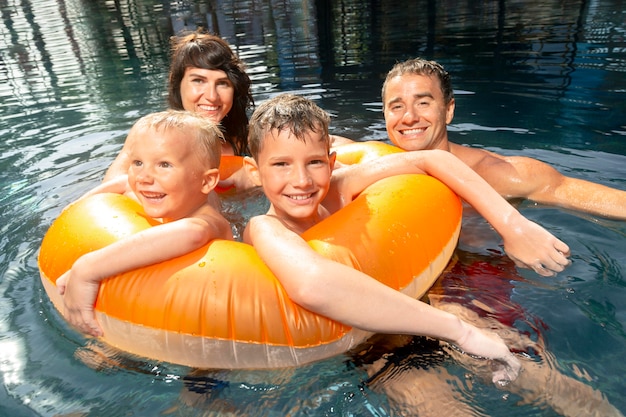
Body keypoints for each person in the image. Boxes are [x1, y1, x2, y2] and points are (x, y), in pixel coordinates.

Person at [241, 93, 572, 384]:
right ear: (255, 172)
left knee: (544, 380)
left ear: (330, 162)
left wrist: (513, 225)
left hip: (424, 302)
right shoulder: (264, 228)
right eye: (281, 164)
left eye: (313, 162)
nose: (301, 180)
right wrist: (460, 331)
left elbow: (433, 160)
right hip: (372, 345)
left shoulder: (339, 187)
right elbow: (313, 284)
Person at [56, 110, 234, 337]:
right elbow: (124, 183)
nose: (144, 177)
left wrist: (86, 269)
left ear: (207, 180)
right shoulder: (155, 190)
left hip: (210, 318)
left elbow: (192, 233)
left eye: (164, 165)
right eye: (138, 162)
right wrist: (78, 206)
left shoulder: (209, 220)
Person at [380, 57, 626, 220]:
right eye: (397, 106)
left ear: (449, 110)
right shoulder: (370, 166)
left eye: (423, 103)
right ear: (385, 115)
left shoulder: (498, 174)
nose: (409, 117)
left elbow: (604, 200)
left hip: (478, 274)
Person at [103, 32, 254, 189]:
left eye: (222, 83)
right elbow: (110, 192)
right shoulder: (149, 134)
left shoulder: (248, 140)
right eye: (198, 81)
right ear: (177, 84)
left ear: (235, 89)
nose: (212, 96)